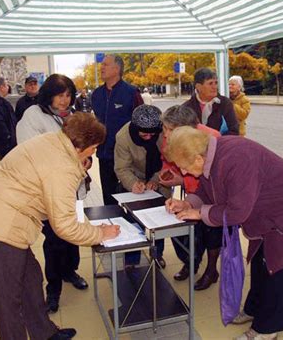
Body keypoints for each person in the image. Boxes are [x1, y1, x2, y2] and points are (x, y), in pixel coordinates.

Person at [0, 113, 120, 340]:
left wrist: (77, 165)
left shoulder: (54, 141)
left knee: (31, 279)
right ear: (80, 146)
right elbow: (65, 226)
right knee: (8, 301)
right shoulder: (62, 166)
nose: (94, 152)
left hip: (0, 217)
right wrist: (100, 233)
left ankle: (44, 333)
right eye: (94, 147)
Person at [164, 126, 283, 340]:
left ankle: (268, 328)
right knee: (259, 261)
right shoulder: (211, 154)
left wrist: (200, 213)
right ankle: (254, 309)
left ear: (198, 158)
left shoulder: (236, 158)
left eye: (184, 167)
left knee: (277, 267)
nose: (183, 173)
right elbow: (205, 190)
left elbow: (237, 212)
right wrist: (187, 203)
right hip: (268, 211)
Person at [16, 74, 90, 314]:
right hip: (49, 191)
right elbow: (31, 154)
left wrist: (86, 159)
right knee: (55, 240)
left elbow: (83, 145)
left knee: (72, 234)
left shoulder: (73, 116)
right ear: (49, 94)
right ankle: (53, 289)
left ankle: (71, 271)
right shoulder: (33, 117)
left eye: (68, 95)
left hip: (73, 188)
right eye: (60, 95)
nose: (64, 100)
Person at [181, 67, 239, 290]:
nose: (215, 87)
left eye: (216, 83)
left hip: (220, 169)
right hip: (194, 170)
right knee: (194, 220)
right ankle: (191, 263)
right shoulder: (187, 108)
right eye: (210, 83)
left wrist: (214, 146)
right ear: (197, 86)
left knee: (214, 221)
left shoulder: (224, 104)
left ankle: (211, 268)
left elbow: (234, 132)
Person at [158, 105, 220, 282]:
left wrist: (181, 180)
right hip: (192, 193)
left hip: (213, 194)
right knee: (193, 231)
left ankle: (211, 269)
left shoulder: (212, 138)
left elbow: (213, 180)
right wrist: (167, 171)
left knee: (213, 231)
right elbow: (168, 160)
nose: (166, 134)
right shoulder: (168, 139)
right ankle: (191, 263)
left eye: (170, 130)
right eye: (164, 129)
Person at [114, 105, 169, 268]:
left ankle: (157, 254)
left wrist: (155, 180)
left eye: (152, 134)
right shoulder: (123, 137)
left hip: (159, 177)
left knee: (160, 220)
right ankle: (131, 260)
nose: (148, 137)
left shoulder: (164, 133)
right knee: (132, 221)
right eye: (144, 133)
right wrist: (133, 184)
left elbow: (169, 162)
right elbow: (122, 168)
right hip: (134, 178)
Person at [91, 54, 144, 205]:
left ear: (117, 69)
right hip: (105, 155)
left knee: (133, 196)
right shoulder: (96, 95)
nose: (101, 67)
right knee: (109, 198)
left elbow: (141, 123)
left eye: (105, 65)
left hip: (128, 157)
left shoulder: (132, 93)